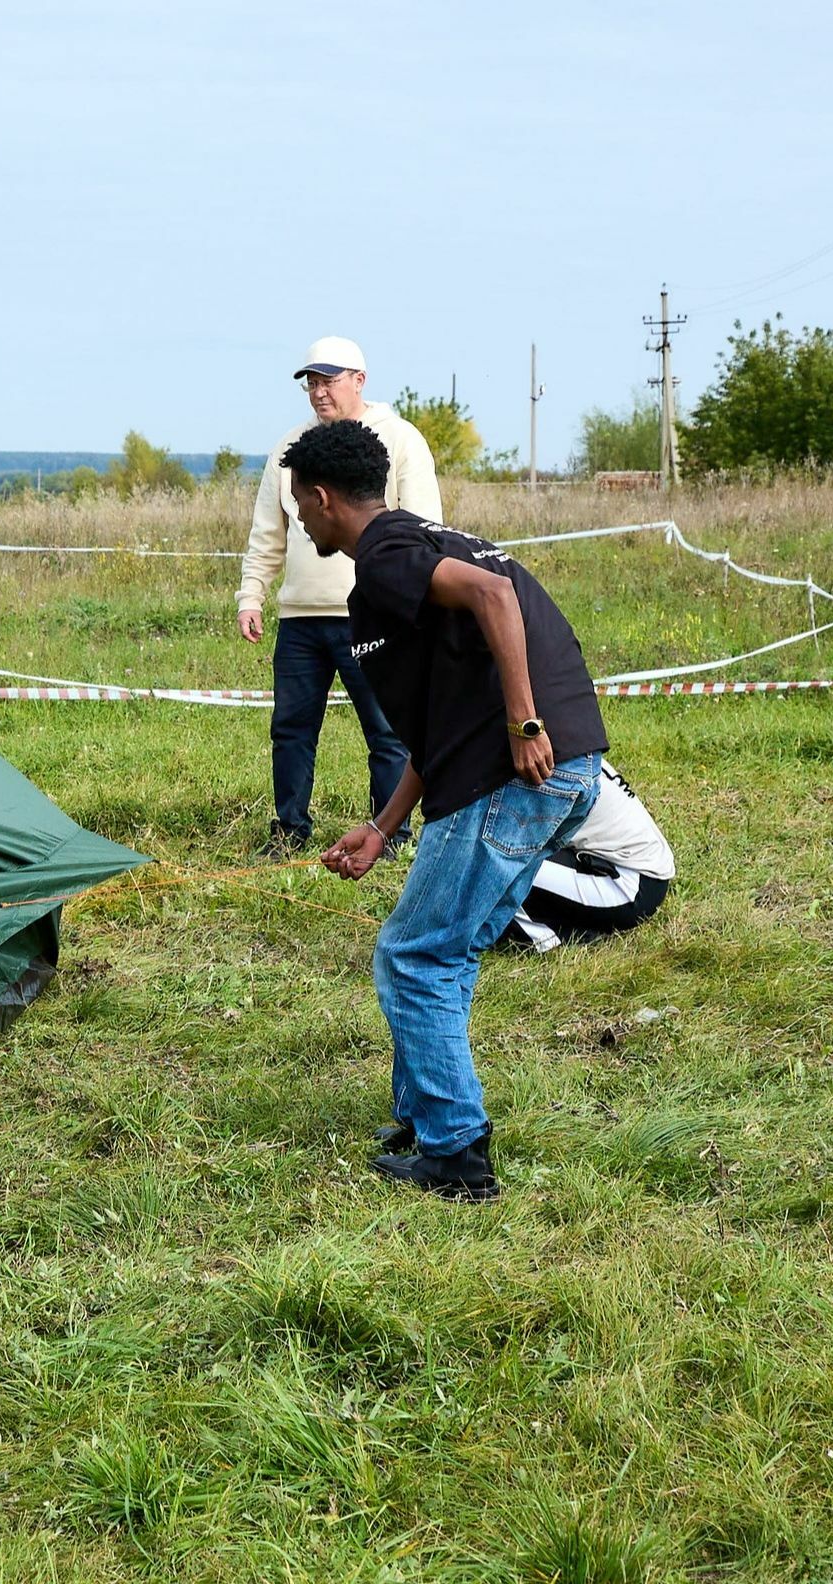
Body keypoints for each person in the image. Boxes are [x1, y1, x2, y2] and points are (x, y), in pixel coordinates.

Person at [287, 419, 607, 1203]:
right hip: (552, 770)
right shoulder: (430, 541)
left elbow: (495, 596)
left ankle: (458, 1157)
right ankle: (426, 1117)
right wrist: (382, 826)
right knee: (446, 946)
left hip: (518, 770)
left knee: (415, 954)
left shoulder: (388, 556)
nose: (298, 518)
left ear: (325, 499)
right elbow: (439, 721)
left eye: (300, 503)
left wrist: (524, 722)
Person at [238, 337, 442, 856]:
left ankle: (391, 833)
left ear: (360, 380)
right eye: (311, 381)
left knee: (388, 729)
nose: (318, 391)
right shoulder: (290, 450)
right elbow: (268, 531)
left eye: (328, 380)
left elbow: (424, 530)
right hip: (302, 618)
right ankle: (288, 831)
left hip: (376, 615)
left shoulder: (400, 440)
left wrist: (416, 604)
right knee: (290, 728)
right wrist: (251, 596)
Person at [500, 759, 674, 952]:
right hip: (612, 862)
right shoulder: (570, 744)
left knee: (498, 869)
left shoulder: (537, 758)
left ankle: (546, 937)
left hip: (629, 886)